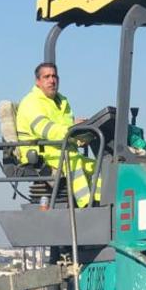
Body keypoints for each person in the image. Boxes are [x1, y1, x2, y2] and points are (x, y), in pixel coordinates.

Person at [15, 62, 100, 208]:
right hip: (39, 153)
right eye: (46, 77)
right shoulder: (31, 102)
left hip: (61, 149)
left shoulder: (62, 101)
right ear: (38, 81)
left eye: (54, 76)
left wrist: (81, 135)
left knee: (97, 166)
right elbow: (46, 130)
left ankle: (101, 204)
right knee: (73, 162)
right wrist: (72, 129)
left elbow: (65, 128)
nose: (51, 80)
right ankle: (87, 207)